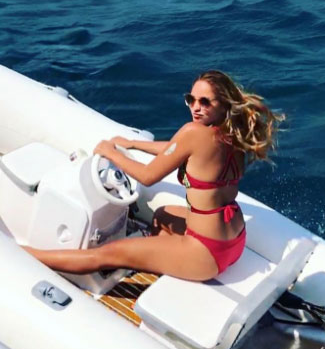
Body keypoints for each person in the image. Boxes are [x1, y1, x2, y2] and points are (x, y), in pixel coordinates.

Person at [24, 70, 284, 281]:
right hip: (234, 241)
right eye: (191, 100)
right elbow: (177, 149)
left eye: (205, 102)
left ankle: (26, 255)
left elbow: (148, 176)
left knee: (105, 255)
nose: (196, 107)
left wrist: (110, 152)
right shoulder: (233, 134)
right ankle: (160, 259)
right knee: (161, 216)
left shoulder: (193, 132)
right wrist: (133, 144)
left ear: (223, 104)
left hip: (207, 253)